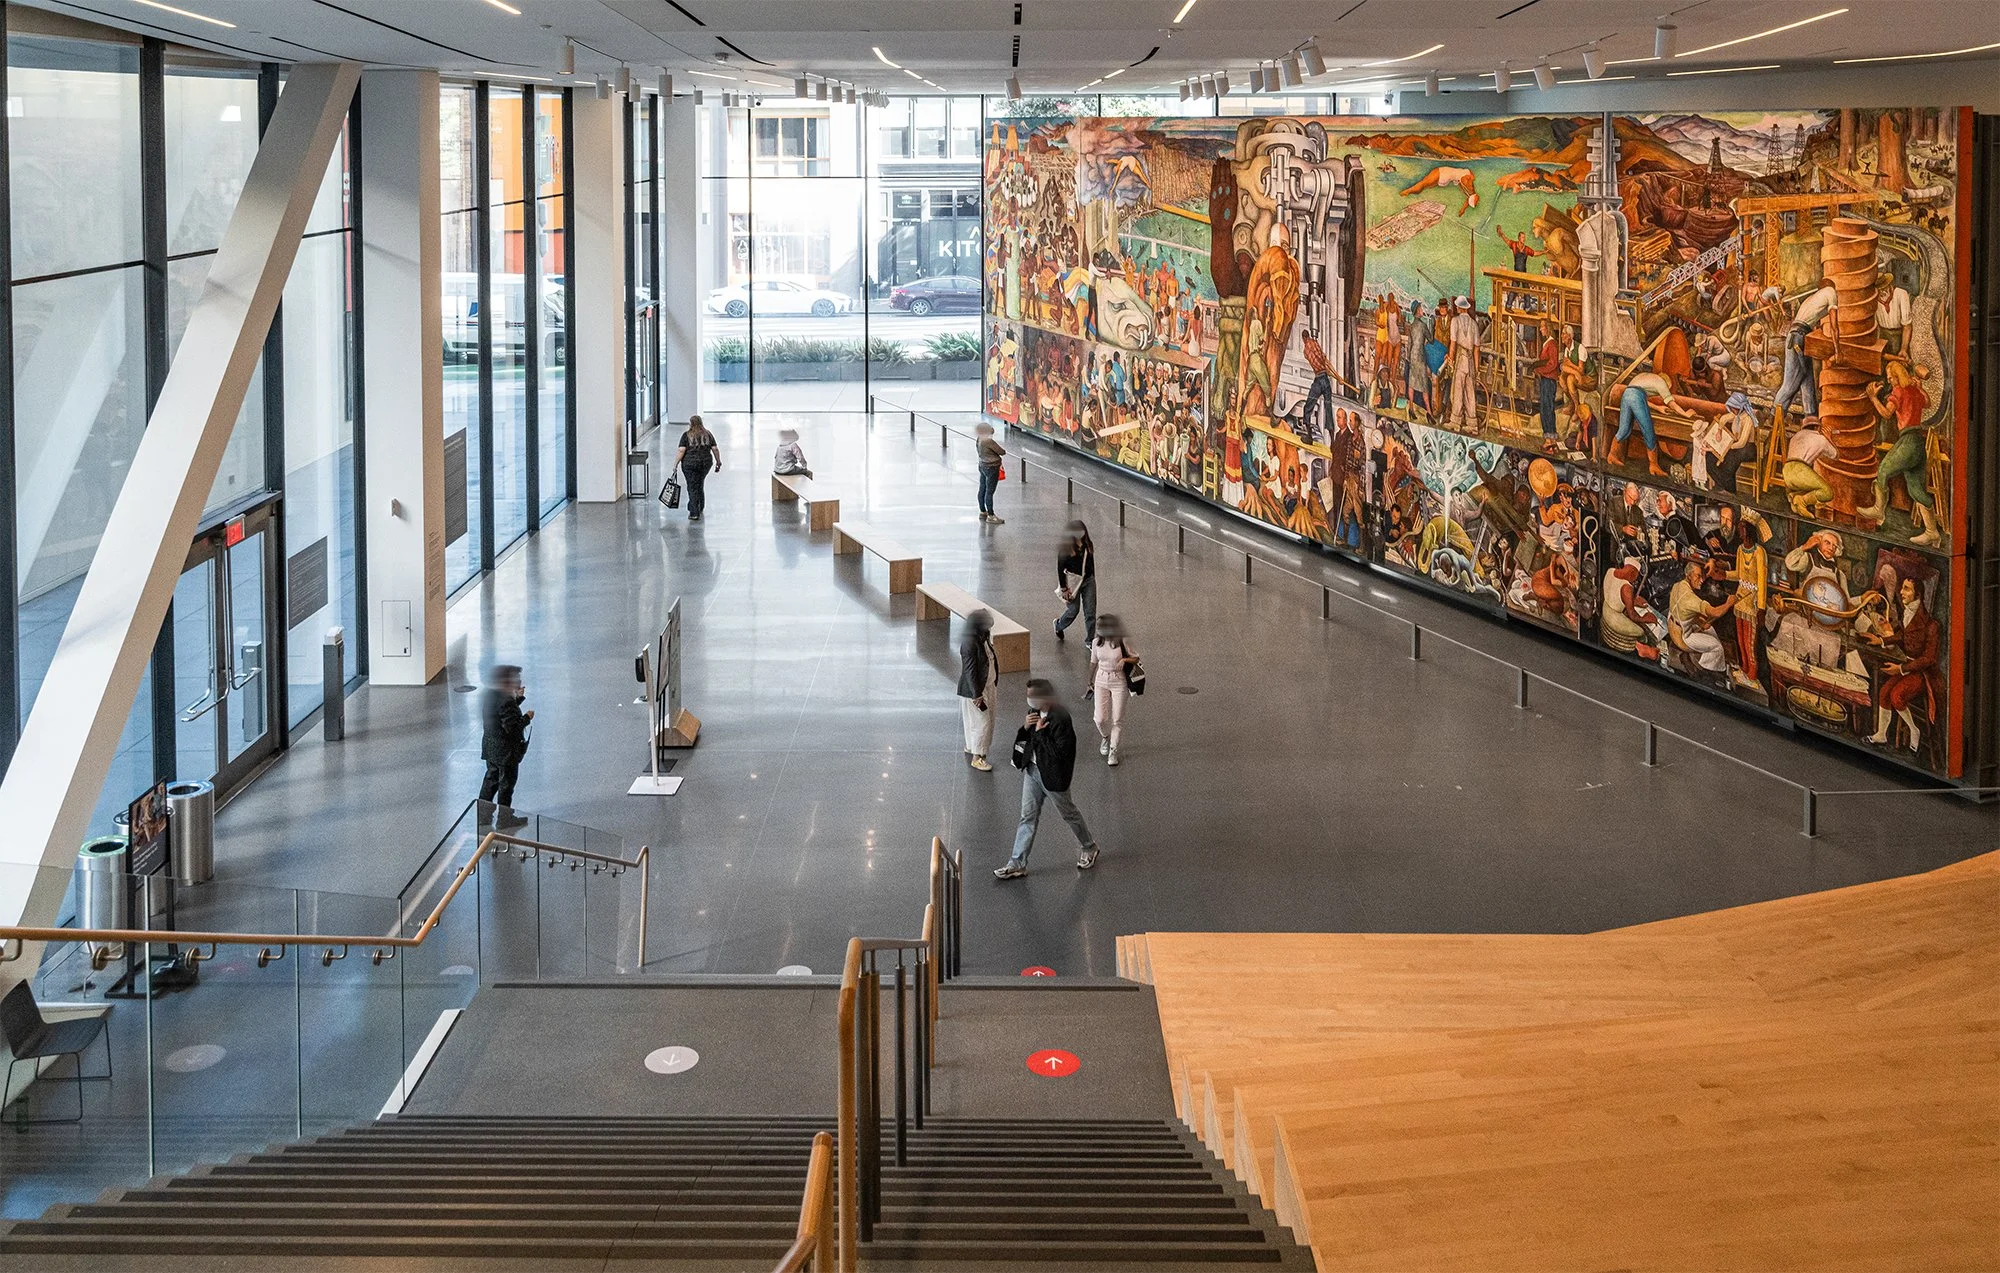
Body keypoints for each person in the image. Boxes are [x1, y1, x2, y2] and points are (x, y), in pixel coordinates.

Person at [993, 679, 1099, 878]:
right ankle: (1017, 862)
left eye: (1032, 695)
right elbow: (1028, 740)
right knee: (1027, 816)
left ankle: (1089, 846)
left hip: (1053, 775)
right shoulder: (1032, 714)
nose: (1029, 700)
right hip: (1032, 771)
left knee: (1068, 813)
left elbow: (1060, 753)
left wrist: (1041, 734)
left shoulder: (1061, 718)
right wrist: (1025, 728)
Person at [1863, 359, 1939, 546]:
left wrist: (1873, 398)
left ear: (1898, 376)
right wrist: (1919, 387)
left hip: (1907, 441)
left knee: (1883, 470)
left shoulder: (1898, 391)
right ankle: (1932, 532)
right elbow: (1927, 402)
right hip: (1919, 442)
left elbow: (1887, 414)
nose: (1889, 382)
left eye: (1891, 378)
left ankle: (1879, 510)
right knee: (1916, 489)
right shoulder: (1914, 389)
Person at [478, 664, 533, 816]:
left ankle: (483, 815)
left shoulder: (491, 695)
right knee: (506, 786)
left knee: (491, 781)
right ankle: (505, 817)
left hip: (491, 748)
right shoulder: (506, 700)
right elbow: (513, 728)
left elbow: (500, 713)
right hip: (506, 752)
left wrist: (517, 698)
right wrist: (527, 718)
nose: (518, 681)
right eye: (516, 678)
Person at [1087, 615, 1139, 766]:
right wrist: (1089, 681)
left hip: (1119, 681)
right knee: (1100, 718)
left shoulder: (1122, 641)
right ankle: (1105, 737)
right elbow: (1093, 662)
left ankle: (1113, 749)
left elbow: (1135, 657)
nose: (1098, 629)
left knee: (1117, 719)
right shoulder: (1096, 642)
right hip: (1101, 679)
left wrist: (1123, 660)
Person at [957, 610, 1000, 771]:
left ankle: (971, 746)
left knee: (976, 721)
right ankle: (978, 757)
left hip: (987, 685)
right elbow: (970, 670)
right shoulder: (969, 643)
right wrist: (976, 694)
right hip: (976, 691)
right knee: (983, 723)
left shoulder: (982, 636)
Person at [1608, 371, 1674, 476]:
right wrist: (1686, 414)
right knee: (1648, 431)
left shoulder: (1645, 378)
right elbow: (1672, 404)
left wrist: (1658, 408)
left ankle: (1612, 455)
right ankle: (1654, 465)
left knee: (1624, 429)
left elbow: (1640, 397)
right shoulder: (1660, 382)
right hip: (1636, 397)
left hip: (1627, 394)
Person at [1692, 391, 1758, 492]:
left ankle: (1730, 490)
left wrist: (1725, 448)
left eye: (1735, 408)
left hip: (1747, 449)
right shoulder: (1735, 415)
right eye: (1732, 408)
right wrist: (1719, 431)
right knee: (1710, 457)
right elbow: (1723, 419)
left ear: (1741, 406)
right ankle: (1721, 484)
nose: (1733, 410)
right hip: (1733, 446)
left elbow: (1742, 442)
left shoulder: (1748, 419)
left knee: (1728, 464)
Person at [1781, 415, 1838, 517]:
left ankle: (1794, 496)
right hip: (1800, 471)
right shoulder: (1821, 439)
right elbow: (1835, 455)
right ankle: (1802, 501)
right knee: (1827, 492)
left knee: (1811, 486)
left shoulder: (1796, 436)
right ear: (1817, 427)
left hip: (1787, 471)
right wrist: (1829, 438)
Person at [1054, 520, 1096, 644]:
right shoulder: (1066, 549)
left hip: (1088, 580)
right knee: (1073, 610)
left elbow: (1090, 563)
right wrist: (1064, 588)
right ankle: (1059, 624)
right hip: (1073, 583)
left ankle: (1090, 641)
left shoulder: (1088, 545)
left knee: (1090, 612)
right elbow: (1060, 568)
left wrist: (1093, 577)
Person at [674, 415, 722, 521]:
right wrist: (718, 462)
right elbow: (715, 449)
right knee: (699, 483)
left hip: (689, 464)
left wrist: (676, 463)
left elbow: (681, 450)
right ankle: (700, 506)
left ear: (691, 424)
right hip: (705, 463)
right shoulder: (708, 434)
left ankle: (694, 512)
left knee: (692, 486)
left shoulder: (686, 435)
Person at [1447, 297, 1480, 430]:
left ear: (1459, 308)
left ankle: (1455, 422)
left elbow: (1453, 344)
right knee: (1470, 392)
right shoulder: (1474, 324)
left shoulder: (1455, 321)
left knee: (1458, 390)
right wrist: (1476, 369)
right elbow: (1477, 348)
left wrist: (1450, 358)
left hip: (1461, 358)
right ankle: (1472, 424)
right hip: (1471, 360)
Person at [1531, 322, 1561, 452]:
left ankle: (1550, 440)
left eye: (1542, 327)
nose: (1541, 329)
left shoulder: (1552, 344)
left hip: (1549, 380)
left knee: (1547, 408)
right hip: (1546, 380)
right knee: (1545, 408)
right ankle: (1549, 440)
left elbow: (1553, 364)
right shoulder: (1547, 343)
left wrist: (1540, 371)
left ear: (1548, 329)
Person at [975, 423, 1006, 524]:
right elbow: (1002, 452)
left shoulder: (979, 439)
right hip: (992, 467)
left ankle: (982, 511)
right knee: (990, 492)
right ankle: (991, 515)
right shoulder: (988, 441)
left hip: (982, 465)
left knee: (982, 488)